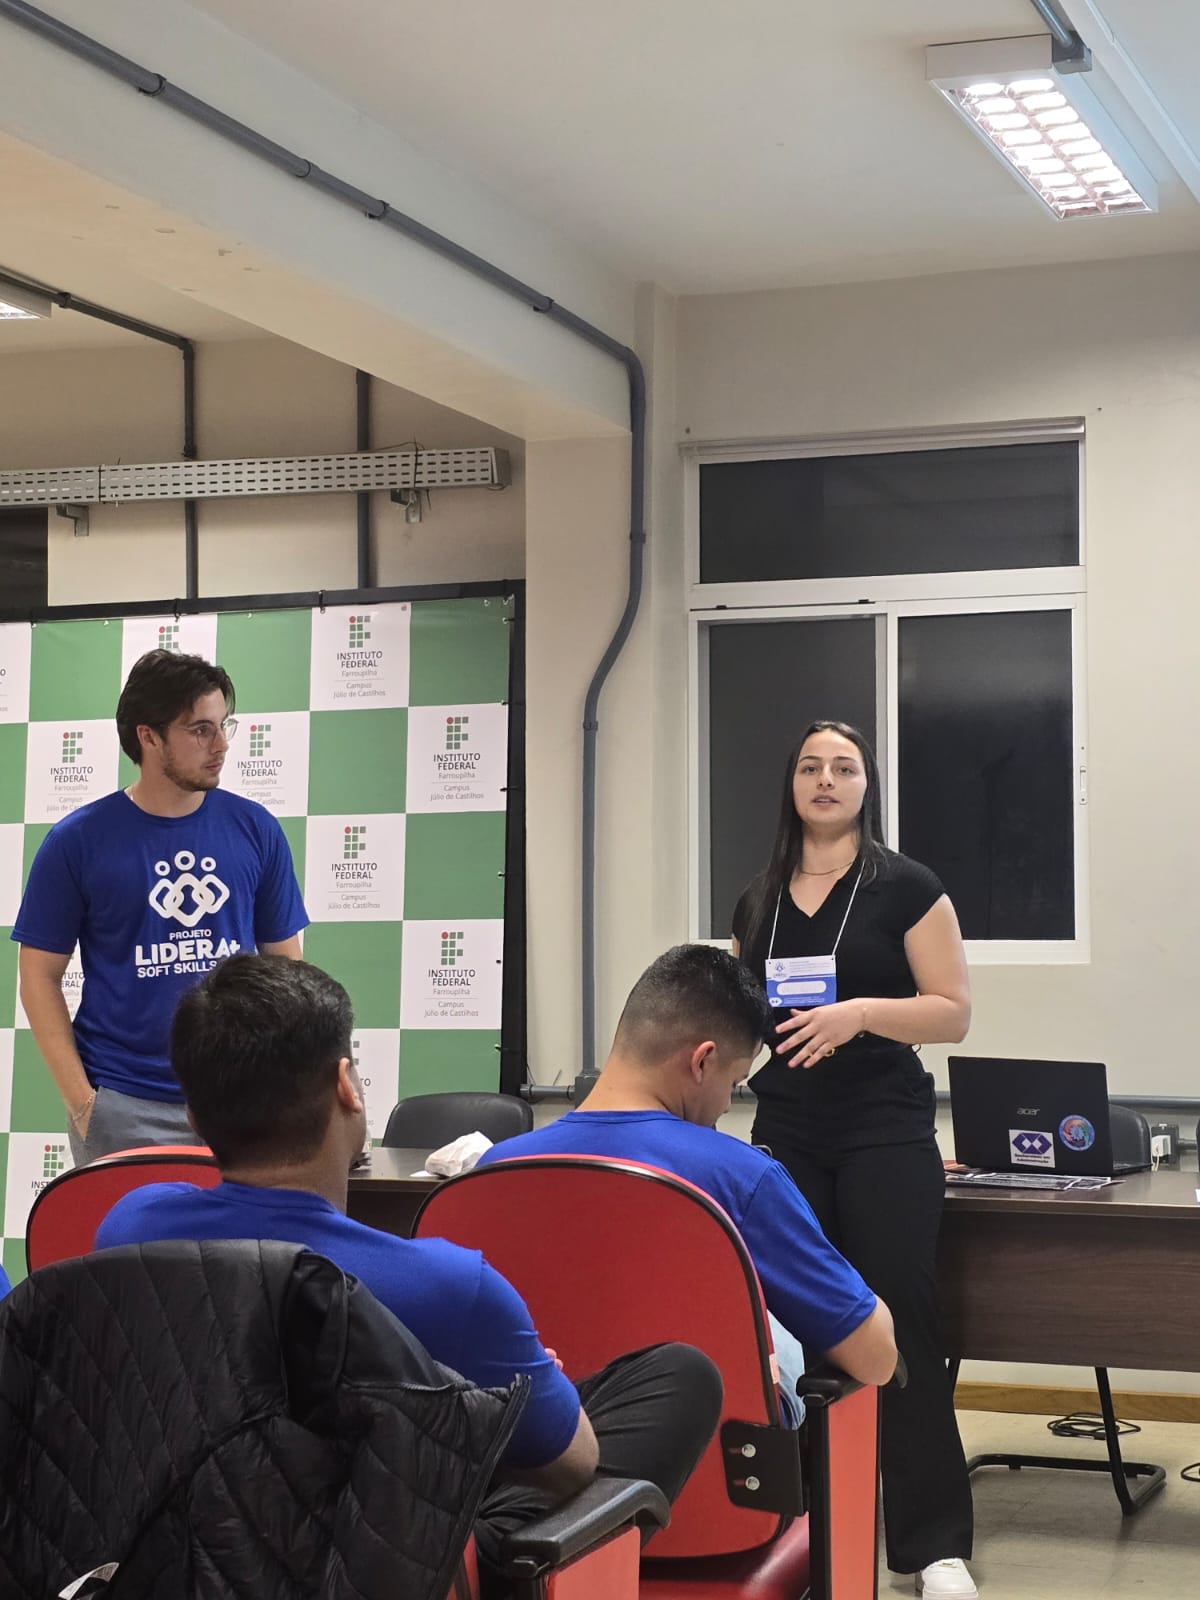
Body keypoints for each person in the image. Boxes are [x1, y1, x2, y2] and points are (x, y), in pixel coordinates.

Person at [95, 954, 722, 1589]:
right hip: (385, 1573)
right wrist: (490, 1411)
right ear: (347, 1086)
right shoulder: (445, 1288)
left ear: (194, 1115)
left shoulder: (129, 1231)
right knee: (680, 1375)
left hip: (190, 1561)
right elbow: (573, 1464)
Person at [731, 720, 975, 1600]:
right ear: (791, 784)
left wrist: (861, 1013)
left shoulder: (907, 886)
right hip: (787, 1128)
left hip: (884, 1127)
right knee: (787, 1325)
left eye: (844, 767)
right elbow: (743, 1013)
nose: (826, 780)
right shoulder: (757, 899)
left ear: (867, 787)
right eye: (810, 766)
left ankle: (932, 1546)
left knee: (899, 1318)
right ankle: (795, 1530)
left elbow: (952, 1012)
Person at [479, 943, 899, 1416]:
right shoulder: (741, 1178)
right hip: (708, 1448)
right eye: (734, 1083)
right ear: (702, 1061)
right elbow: (876, 1358)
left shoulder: (493, 1170)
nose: (726, 1105)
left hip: (535, 1440)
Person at [13, 650, 309, 1165]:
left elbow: (287, 968)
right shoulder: (77, 842)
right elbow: (38, 976)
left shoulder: (255, 828)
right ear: (148, 737)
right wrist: (84, 1105)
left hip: (241, 1099)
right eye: (200, 730)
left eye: (223, 726)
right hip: (123, 1107)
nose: (220, 745)